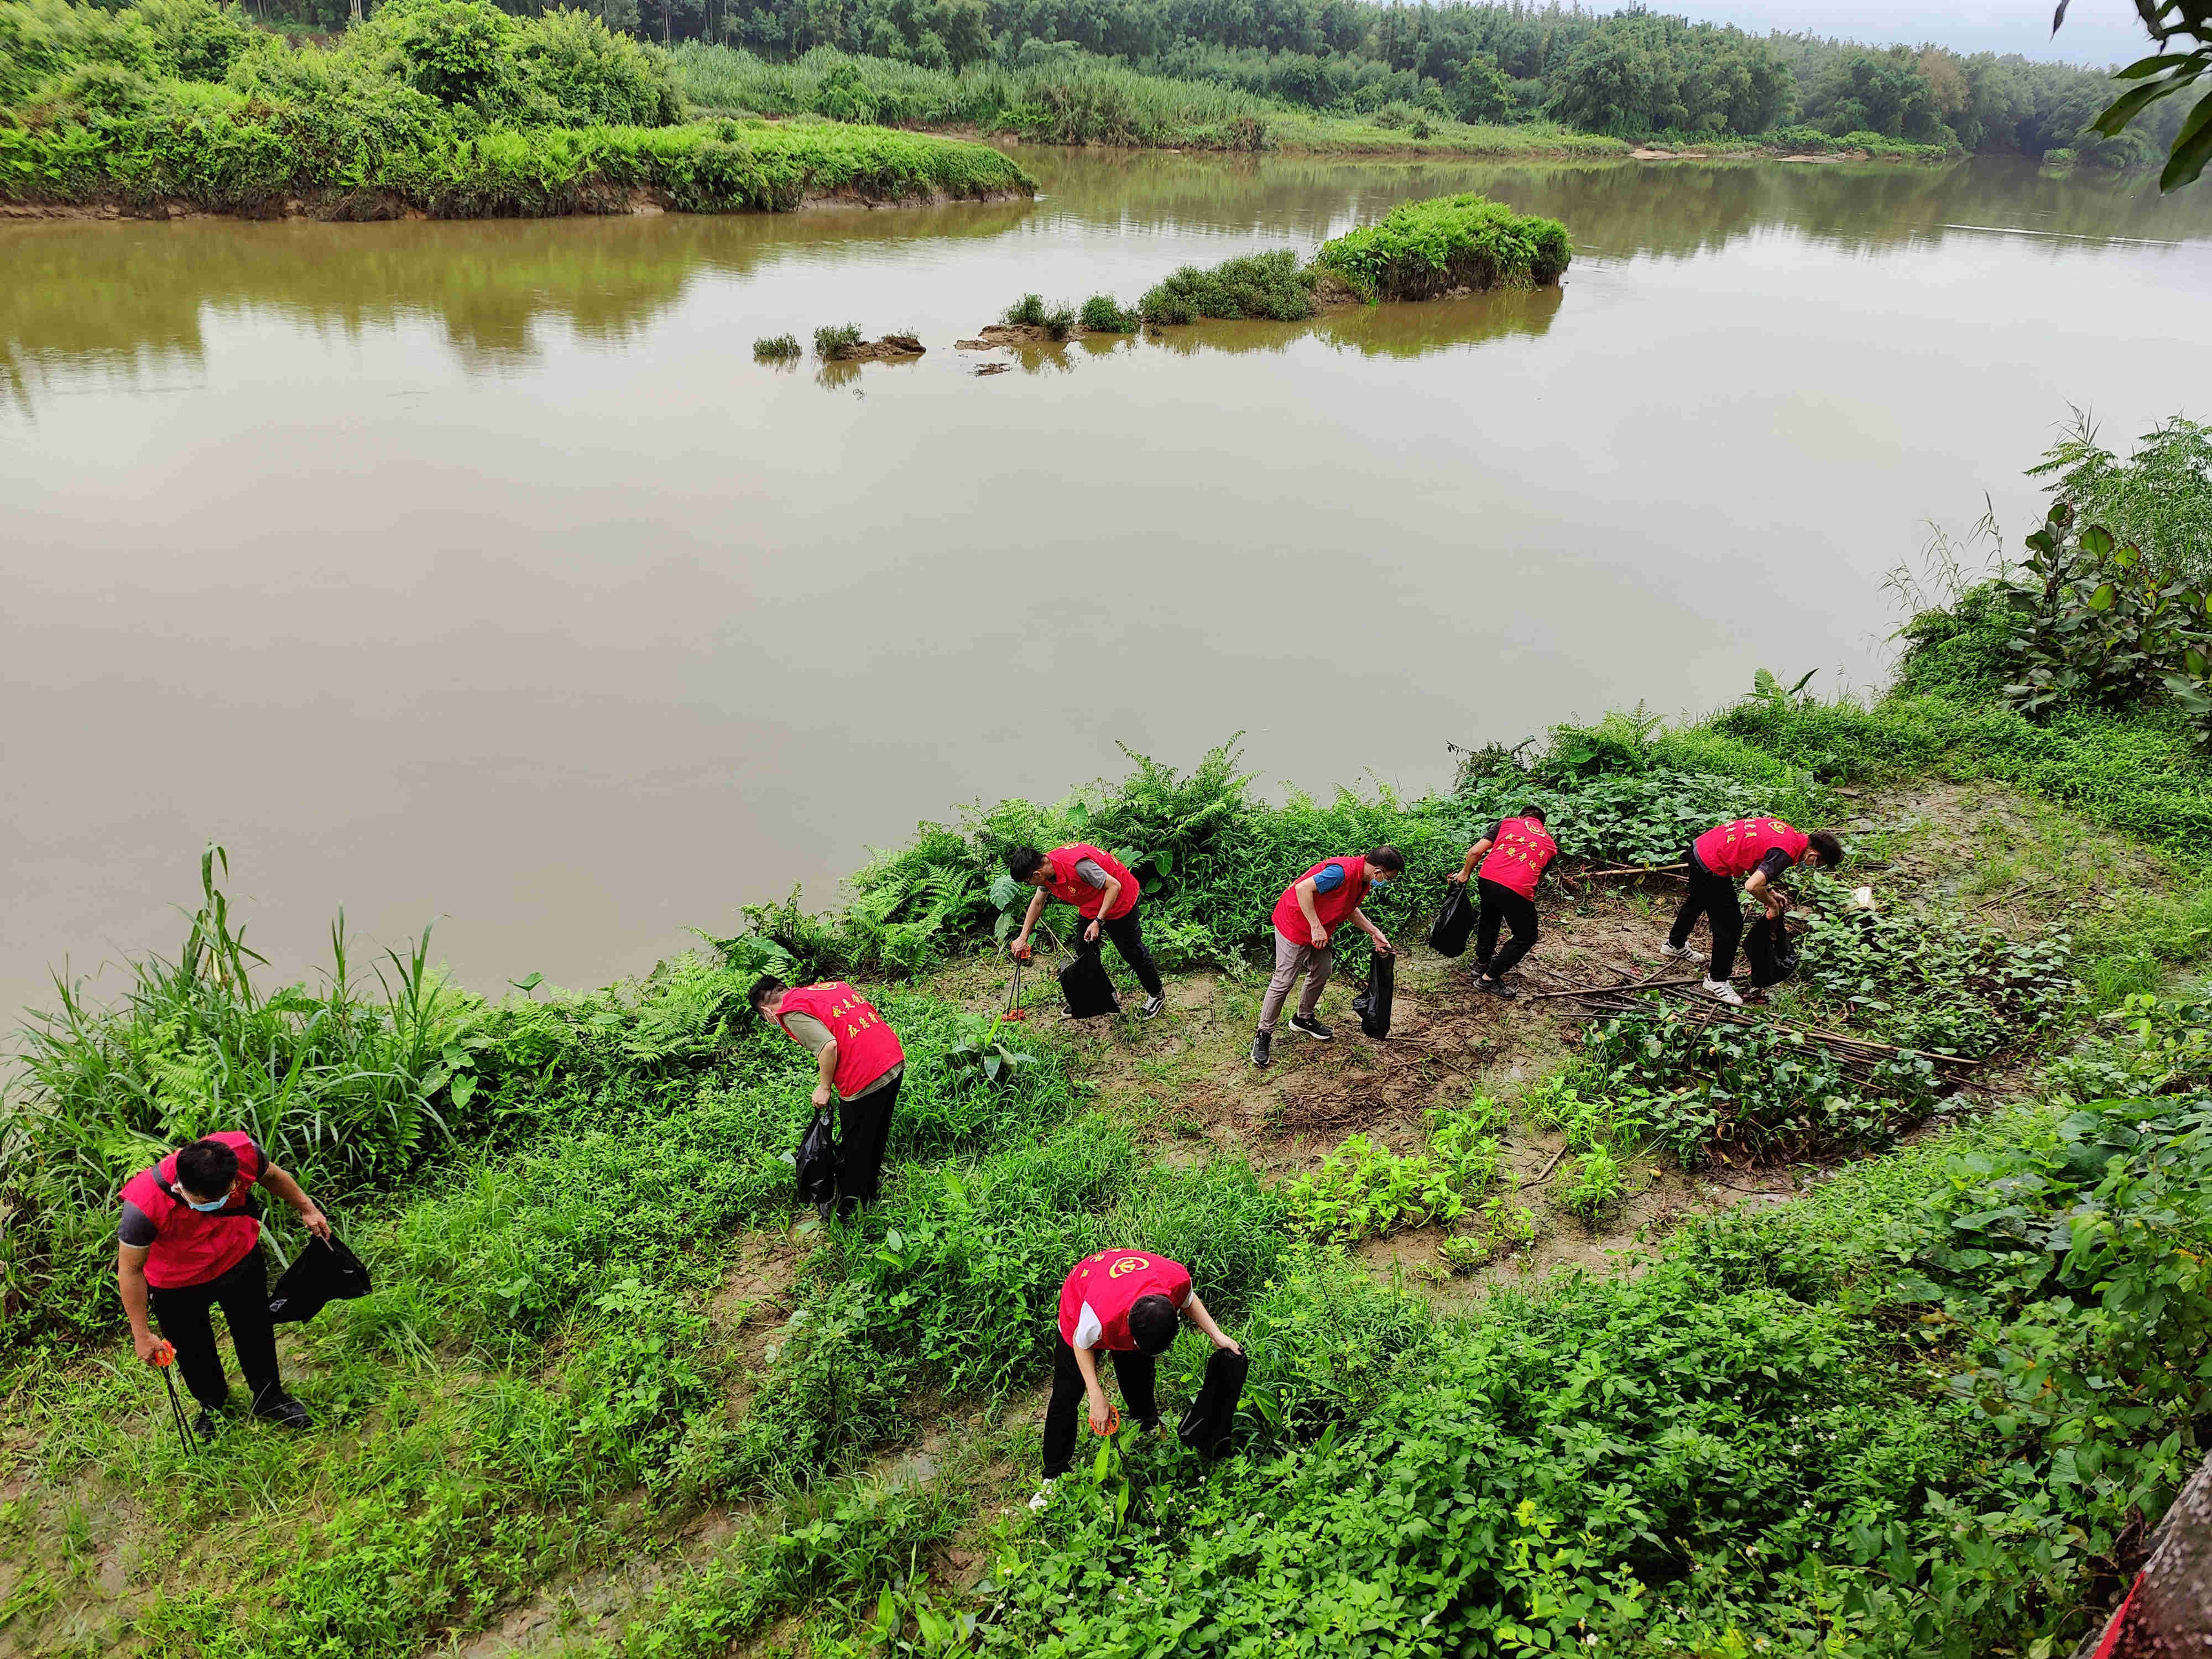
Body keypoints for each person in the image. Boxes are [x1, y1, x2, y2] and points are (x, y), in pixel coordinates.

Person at [118, 1131, 328, 1435]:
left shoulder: (242, 1154)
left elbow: (273, 1176)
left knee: (255, 1329)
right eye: (207, 1202)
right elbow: (130, 1270)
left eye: (225, 1196)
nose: (217, 1205)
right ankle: (212, 1407)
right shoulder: (143, 1207)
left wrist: (307, 1207)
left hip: (238, 1258)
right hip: (177, 1283)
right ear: (181, 1187)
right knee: (193, 1351)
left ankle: (269, 1398)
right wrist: (141, 1333)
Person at [1032, 1246, 1241, 1505]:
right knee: (1066, 1395)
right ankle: (1053, 1475)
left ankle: (1146, 1425)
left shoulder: (1175, 1280)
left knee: (1138, 1371)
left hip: (1129, 1291)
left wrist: (1217, 1336)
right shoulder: (1098, 1316)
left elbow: (1189, 1299)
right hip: (1085, 1290)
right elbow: (1080, 1343)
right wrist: (1097, 1396)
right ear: (1129, 1329)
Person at [752, 975, 905, 1220]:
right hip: (893, 1060)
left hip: (864, 1077)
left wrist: (824, 1087)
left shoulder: (790, 1013)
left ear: (766, 1011)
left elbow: (828, 1046)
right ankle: (869, 1191)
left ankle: (849, 1212)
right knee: (876, 1134)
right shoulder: (826, 989)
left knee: (855, 1148)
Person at [1250, 846, 1404, 1068]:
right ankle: (1263, 1034)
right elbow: (1303, 889)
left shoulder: (1363, 880)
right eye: (1388, 878)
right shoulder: (1341, 873)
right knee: (1284, 981)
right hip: (1294, 924)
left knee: (1322, 971)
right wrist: (1315, 926)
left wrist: (1374, 932)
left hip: (1319, 928)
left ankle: (1303, 1019)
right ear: (1379, 871)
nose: (1386, 882)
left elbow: (1349, 908)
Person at [1662, 817, 1843, 1005]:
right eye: (1818, 865)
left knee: (1697, 901)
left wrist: (1770, 891)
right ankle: (1717, 980)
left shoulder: (1789, 835)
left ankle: (1674, 945)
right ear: (1814, 855)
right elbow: (1752, 885)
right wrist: (1772, 905)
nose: (1812, 867)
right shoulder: (1785, 854)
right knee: (1730, 926)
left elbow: (1755, 858)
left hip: (1701, 848)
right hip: (1712, 863)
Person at [1006, 843, 1165, 1020]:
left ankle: (1156, 995)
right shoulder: (1046, 873)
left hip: (1120, 899)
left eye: (1028, 883)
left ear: (1037, 874)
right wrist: (1023, 937)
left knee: (1131, 951)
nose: (1030, 885)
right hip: (1092, 902)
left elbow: (1114, 886)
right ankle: (1106, 997)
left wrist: (1098, 921)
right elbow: (1037, 903)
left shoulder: (1077, 866)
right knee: (1084, 949)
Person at [1446, 807, 1558, 998]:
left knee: (1490, 917)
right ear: (1542, 825)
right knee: (1526, 937)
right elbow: (1537, 879)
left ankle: (1482, 963)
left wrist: (1464, 874)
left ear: (1521, 817)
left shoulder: (1508, 823)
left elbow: (1475, 852)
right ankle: (1488, 979)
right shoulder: (1550, 845)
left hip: (1487, 879)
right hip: (1516, 887)